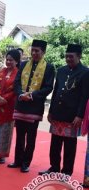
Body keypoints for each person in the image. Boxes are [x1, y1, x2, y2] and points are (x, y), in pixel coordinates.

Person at [39, 44, 88, 176]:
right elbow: (55, 91)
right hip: (57, 113)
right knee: (55, 143)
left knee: (69, 146)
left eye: (71, 56)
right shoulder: (61, 70)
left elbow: (84, 96)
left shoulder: (85, 72)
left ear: (79, 56)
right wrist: (50, 111)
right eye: (66, 56)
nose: (68, 59)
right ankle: (54, 167)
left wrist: (80, 115)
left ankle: (66, 172)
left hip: (72, 115)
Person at [7, 39, 55, 173]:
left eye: (37, 51)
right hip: (21, 104)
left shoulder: (49, 68)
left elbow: (48, 87)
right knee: (20, 135)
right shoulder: (23, 65)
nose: (34, 53)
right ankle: (17, 160)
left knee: (31, 137)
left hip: (34, 107)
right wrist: (21, 94)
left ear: (43, 52)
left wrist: (32, 95)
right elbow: (16, 83)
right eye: (32, 50)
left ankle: (26, 163)